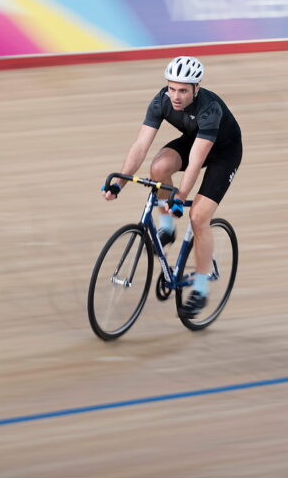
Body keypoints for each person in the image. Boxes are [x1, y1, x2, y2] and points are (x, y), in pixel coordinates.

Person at [101, 56, 242, 318]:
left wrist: (180, 197)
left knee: (198, 217)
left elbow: (196, 161)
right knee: (158, 168)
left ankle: (200, 288)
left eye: (183, 91)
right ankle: (167, 229)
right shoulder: (162, 101)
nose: (176, 96)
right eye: (172, 88)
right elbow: (140, 146)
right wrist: (119, 182)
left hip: (223, 153)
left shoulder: (210, 109)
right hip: (194, 139)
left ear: (197, 88)